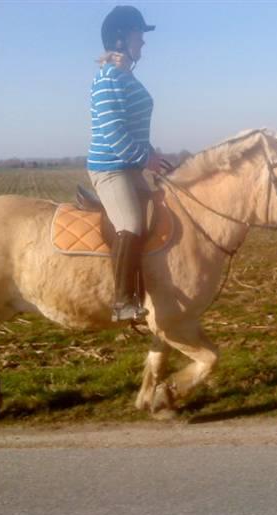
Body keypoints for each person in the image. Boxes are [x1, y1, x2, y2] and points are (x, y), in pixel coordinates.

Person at [87, 6, 166, 322]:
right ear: (121, 39)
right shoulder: (107, 79)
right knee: (131, 223)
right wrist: (144, 157)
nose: (143, 43)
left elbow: (135, 128)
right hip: (110, 168)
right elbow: (114, 131)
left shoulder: (123, 76)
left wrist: (154, 157)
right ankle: (122, 302)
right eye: (139, 35)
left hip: (131, 166)